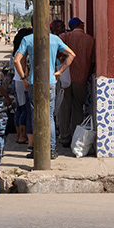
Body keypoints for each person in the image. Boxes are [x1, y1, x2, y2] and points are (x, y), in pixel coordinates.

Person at [13, 28, 74, 159]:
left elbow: (16, 60)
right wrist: (60, 71)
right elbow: (71, 55)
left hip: (33, 82)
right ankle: (51, 149)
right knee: (49, 116)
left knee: (36, 116)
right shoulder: (55, 39)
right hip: (50, 81)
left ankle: (37, 148)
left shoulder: (27, 39)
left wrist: (23, 78)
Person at [58, 17, 96, 148]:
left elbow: (56, 51)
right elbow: (92, 62)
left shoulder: (65, 36)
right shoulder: (90, 40)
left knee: (64, 107)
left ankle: (64, 137)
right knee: (78, 108)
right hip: (81, 79)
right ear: (80, 24)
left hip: (66, 78)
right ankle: (75, 136)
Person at [10, 28, 33, 145]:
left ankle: (19, 135)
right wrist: (25, 79)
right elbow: (24, 68)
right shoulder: (22, 52)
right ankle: (22, 135)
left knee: (20, 108)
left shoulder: (17, 50)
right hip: (21, 82)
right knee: (24, 109)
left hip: (17, 81)